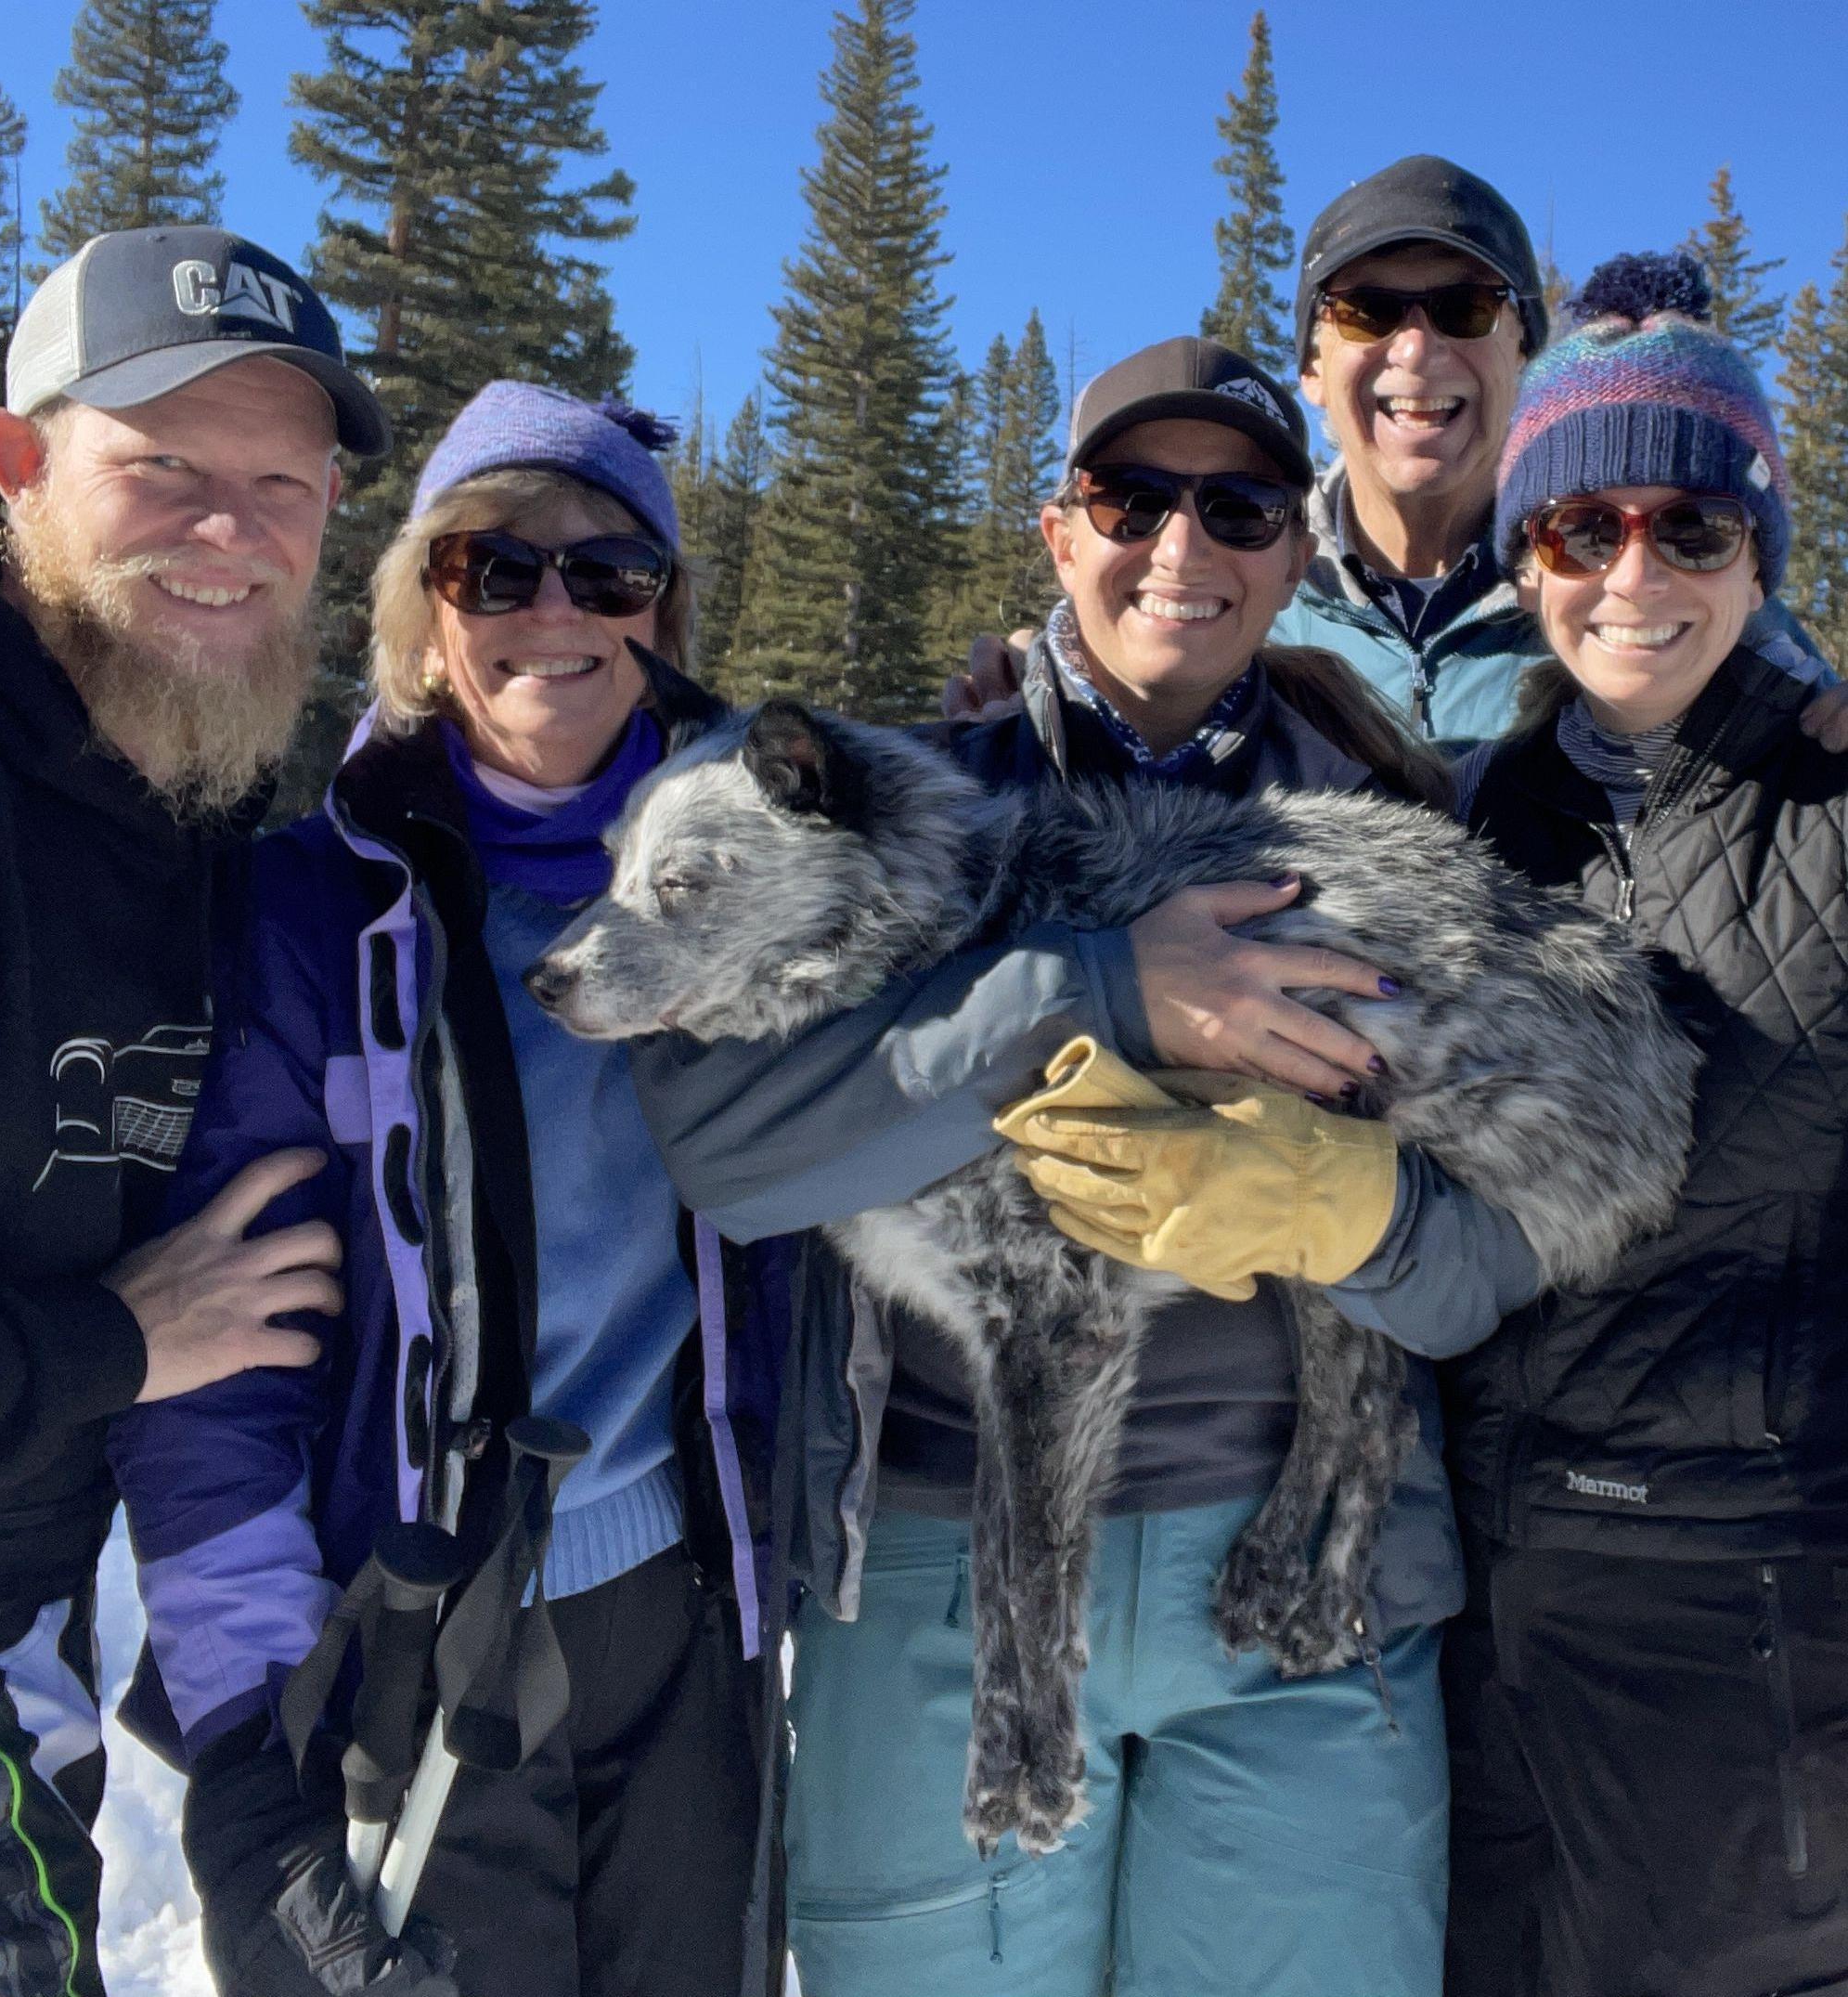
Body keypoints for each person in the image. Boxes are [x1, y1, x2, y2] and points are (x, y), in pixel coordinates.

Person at [629, 338, 1543, 1997]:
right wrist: (1102, 986)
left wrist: (1365, 1220)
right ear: (1058, 530)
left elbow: (1502, 1258)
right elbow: (728, 1149)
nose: (1180, 548)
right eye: (1131, 497)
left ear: (1294, 549)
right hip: (933, 1560)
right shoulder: (893, 802)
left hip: (1307, 1581)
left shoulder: (1398, 813)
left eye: (1240, 507)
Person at [109, 384, 790, 1997]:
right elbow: (219, 1373)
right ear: (423, 607)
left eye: (611, 572)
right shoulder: (299, 912)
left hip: (688, 1623)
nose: (554, 610)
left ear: (662, 614)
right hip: (401, 1633)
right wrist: (247, 1768)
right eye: (495, 569)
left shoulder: (776, 876)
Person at [0, 226, 386, 1996]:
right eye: (160, 471)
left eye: (278, 485)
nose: (227, 531)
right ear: (16, 464)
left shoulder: (167, 766)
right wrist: (111, 1347)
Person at [1440, 252, 1848, 1997]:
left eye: (1688, 529)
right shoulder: (1474, 819)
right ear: (1524, 555)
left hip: (1736, 1609)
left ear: (1755, 553)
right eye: (1576, 529)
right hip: (1472, 1596)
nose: (1631, 575)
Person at [1274, 154, 1837, 748]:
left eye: (1466, 309)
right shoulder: (1244, 587)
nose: (1415, 350)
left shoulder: (1662, 578)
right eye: (1368, 312)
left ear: (1525, 355)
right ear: (1312, 367)